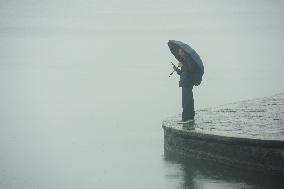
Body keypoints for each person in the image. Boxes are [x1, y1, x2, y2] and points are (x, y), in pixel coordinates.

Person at [173, 48, 195, 123]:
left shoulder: (189, 60)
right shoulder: (184, 61)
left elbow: (191, 70)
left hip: (188, 83)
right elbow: (182, 73)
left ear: (184, 52)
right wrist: (176, 70)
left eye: (180, 52)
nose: (179, 54)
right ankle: (189, 117)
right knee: (186, 100)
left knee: (186, 101)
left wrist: (183, 64)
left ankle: (186, 118)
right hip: (185, 83)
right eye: (179, 52)